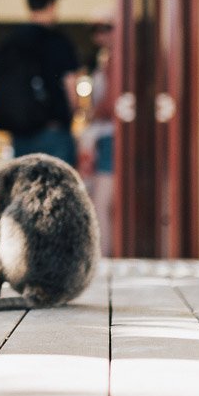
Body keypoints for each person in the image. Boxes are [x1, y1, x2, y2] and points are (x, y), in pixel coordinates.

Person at [0, 0, 80, 164]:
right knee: (58, 189)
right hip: (54, 132)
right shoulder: (57, 40)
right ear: (52, 4)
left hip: (20, 133)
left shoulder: (10, 40)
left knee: (26, 189)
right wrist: (74, 113)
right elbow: (70, 85)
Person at [77, 14, 116, 256]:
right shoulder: (106, 59)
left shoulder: (116, 59)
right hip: (104, 137)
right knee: (100, 204)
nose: (100, 34)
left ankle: (103, 259)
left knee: (101, 204)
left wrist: (91, 113)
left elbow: (110, 103)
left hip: (110, 137)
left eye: (106, 28)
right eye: (95, 29)